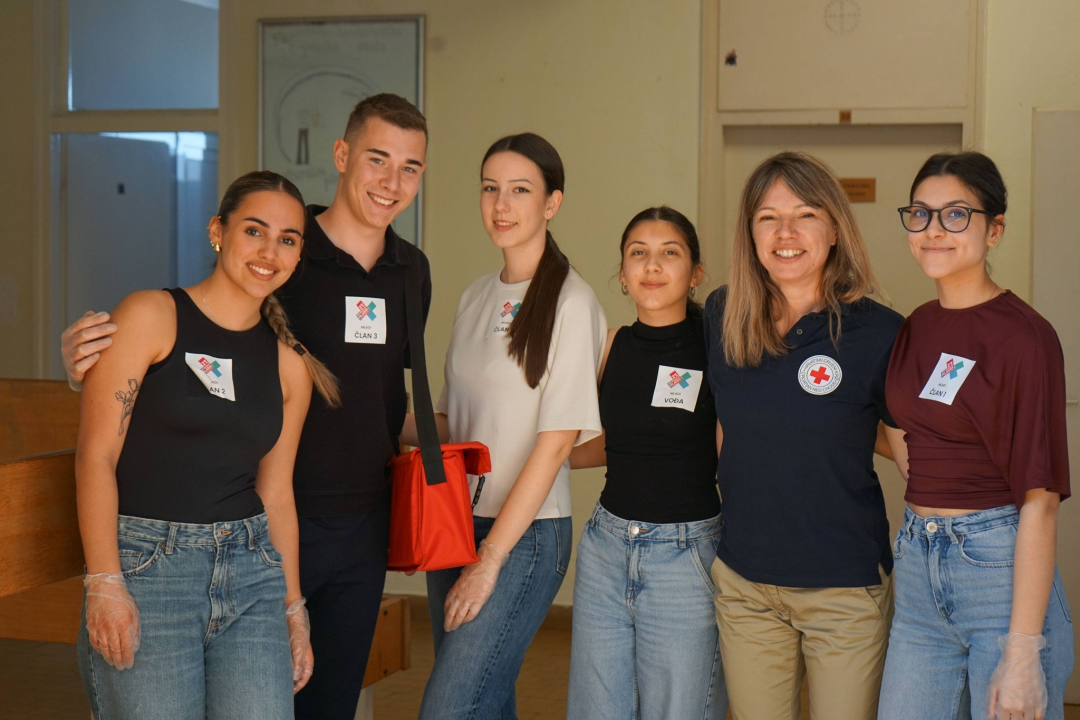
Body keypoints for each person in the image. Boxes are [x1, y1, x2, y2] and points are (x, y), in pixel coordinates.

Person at [62, 93, 432, 720]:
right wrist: (104, 580)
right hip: (201, 540)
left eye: (410, 167)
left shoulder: (397, 281)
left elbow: (370, 410)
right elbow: (112, 435)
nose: (270, 251)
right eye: (377, 159)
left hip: (306, 539)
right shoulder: (200, 293)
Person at [75, 171, 338, 718]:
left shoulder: (292, 367)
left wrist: (294, 606)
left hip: (252, 575)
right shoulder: (150, 316)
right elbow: (96, 456)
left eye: (288, 240)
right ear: (218, 231)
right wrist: (104, 580)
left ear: (298, 255)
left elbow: (277, 493)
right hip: (150, 569)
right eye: (254, 231)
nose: (270, 251)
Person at [401, 133, 606, 720]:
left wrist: (490, 558)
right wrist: (374, 419)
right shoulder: (473, 297)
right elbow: (452, 423)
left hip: (523, 534)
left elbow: (555, 446)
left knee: (450, 707)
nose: (501, 204)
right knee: (484, 701)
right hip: (452, 522)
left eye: (520, 190)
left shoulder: (572, 303)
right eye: (491, 188)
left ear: (552, 203)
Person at [704, 151, 905, 720]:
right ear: (750, 233)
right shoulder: (723, 315)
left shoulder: (880, 333)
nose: (785, 233)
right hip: (746, 584)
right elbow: (725, 427)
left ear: (835, 228)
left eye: (806, 214)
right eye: (768, 217)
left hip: (843, 590)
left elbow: (908, 447)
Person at [878, 152, 1073, 720]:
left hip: (997, 570)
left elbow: (1039, 500)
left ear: (995, 229)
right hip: (918, 566)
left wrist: (1022, 651)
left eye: (956, 214)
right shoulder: (917, 324)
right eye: (921, 214)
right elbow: (910, 429)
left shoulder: (1026, 338)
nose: (934, 230)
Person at [565, 206, 727, 720]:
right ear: (622, 272)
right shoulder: (610, 345)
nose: (652, 266)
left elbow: (735, 452)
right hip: (606, 549)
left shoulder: (718, 349)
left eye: (669, 253)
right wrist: (535, 462)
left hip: (687, 555)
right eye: (639, 253)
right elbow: (607, 445)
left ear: (696, 273)